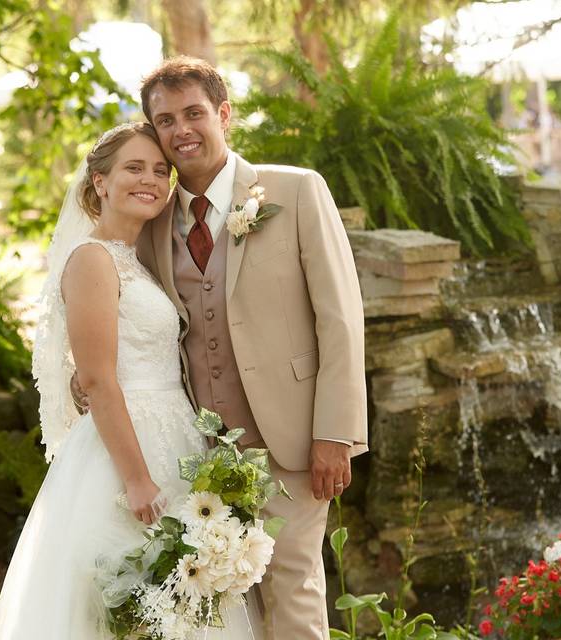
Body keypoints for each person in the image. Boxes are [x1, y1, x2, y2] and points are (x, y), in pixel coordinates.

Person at [0, 122, 261, 638]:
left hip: (172, 435)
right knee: (129, 610)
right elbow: (96, 379)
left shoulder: (137, 260)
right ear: (99, 182)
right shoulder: (92, 259)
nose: (151, 180)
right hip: (125, 454)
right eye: (134, 168)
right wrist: (136, 479)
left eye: (161, 171)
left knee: (181, 608)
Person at [133, 57, 368, 640]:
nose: (181, 129)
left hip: (293, 438)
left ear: (224, 115)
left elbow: (341, 318)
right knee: (230, 603)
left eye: (193, 113)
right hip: (202, 453)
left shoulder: (294, 190)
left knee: (294, 586)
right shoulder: (153, 224)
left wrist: (335, 432)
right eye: (165, 120)